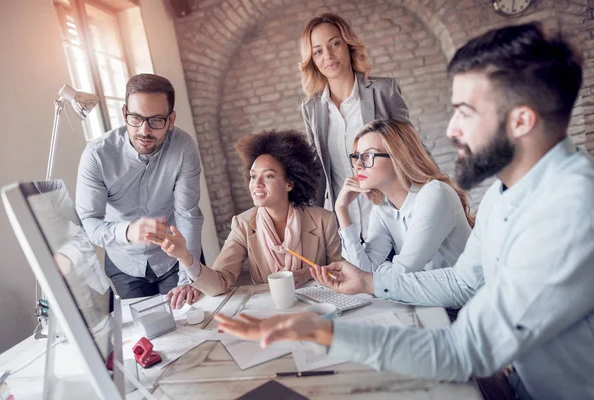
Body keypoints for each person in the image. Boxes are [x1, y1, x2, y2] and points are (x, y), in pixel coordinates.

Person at [215, 23, 594, 400]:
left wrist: (321, 333)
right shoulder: (503, 192)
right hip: (520, 383)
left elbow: (463, 350)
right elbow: (463, 282)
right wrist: (367, 282)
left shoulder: (569, 211)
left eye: (465, 112)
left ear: (521, 120)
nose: (451, 129)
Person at [148, 130, 343, 308]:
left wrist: (308, 273)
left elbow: (340, 273)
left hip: (320, 309)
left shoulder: (323, 220)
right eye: (252, 176)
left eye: (268, 176)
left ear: (289, 183)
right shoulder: (242, 225)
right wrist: (185, 257)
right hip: (273, 312)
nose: (256, 184)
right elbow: (220, 282)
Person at [76, 73, 203, 305]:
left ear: (171, 120)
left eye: (156, 120)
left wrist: (188, 276)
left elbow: (188, 213)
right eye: (136, 118)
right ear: (125, 114)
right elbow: (89, 221)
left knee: (197, 322)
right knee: (145, 336)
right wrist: (127, 232)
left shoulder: (184, 147)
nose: (144, 130)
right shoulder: (97, 156)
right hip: (124, 263)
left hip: (177, 257)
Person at [300, 13, 409, 240]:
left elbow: (409, 149)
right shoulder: (312, 109)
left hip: (392, 214)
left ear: (348, 45)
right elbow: (318, 169)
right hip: (345, 224)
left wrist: (433, 194)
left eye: (335, 44)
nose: (328, 56)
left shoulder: (383, 90)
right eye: (318, 51)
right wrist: (313, 223)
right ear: (312, 59)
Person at [336, 118, 473, 274]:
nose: (358, 165)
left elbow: (403, 271)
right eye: (357, 156)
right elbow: (363, 272)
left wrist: (379, 272)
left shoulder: (435, 193)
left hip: (466, 297)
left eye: (368, 156)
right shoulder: (382, 209)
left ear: (398, 158)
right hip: (425, 297)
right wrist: (341, 209)